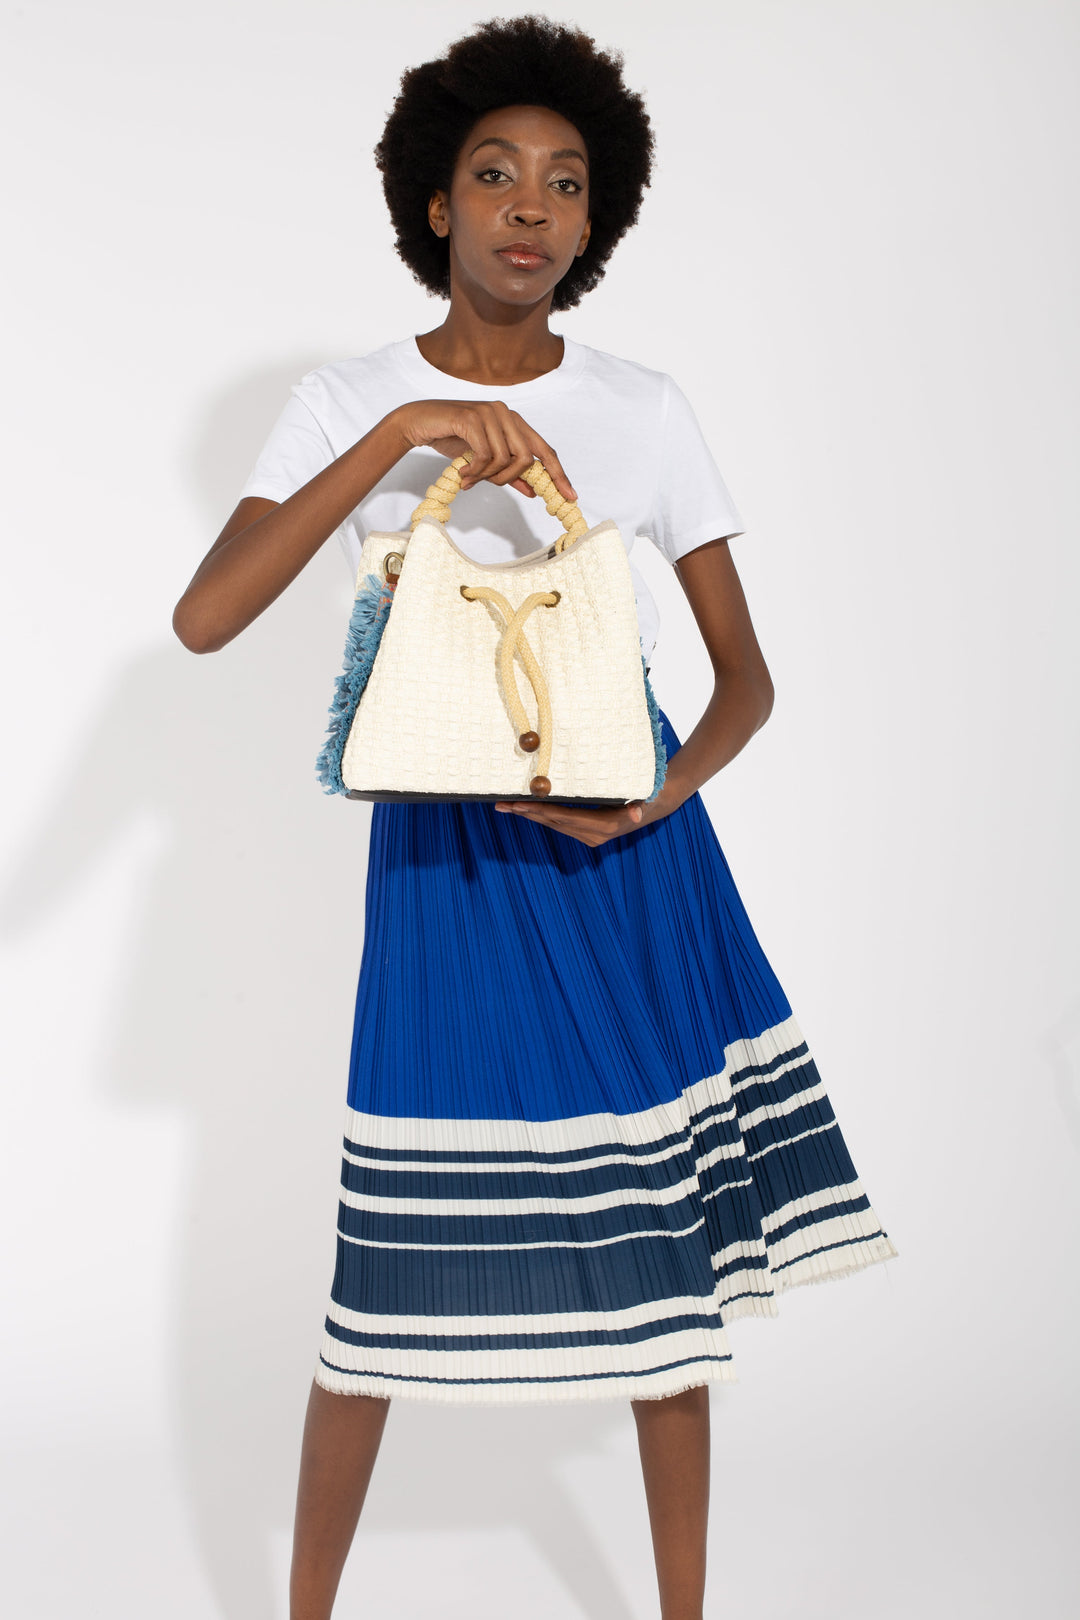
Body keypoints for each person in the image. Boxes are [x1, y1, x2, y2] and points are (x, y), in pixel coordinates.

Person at [173, 16, 898, 1620]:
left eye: (565, 184)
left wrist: (662, 796)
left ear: (596, 221)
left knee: (666, 1276)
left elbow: (746, 678)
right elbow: (207, 617)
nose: (528, 206)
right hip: (442, 851)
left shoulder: (643, 406)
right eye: (494, 174)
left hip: (625, 857)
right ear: (434, 204)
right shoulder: (351, 394)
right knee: (377, 1288)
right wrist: (405, 434)